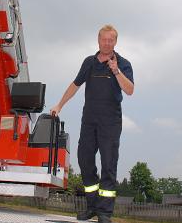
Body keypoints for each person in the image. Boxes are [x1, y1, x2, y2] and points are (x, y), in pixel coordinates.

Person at [50, 25, 134, 223]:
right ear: (98, 40)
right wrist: (59, 105)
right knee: (85, 159)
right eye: (104, 40)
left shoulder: (123, 63)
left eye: (111, 40)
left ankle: (105, 213)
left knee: (108, 164)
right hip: (89, 120)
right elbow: (75, 85)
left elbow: (129, 90)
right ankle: (92, 207)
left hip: (111, 122)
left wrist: (116, 71)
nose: (107, 43)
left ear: (115, 42)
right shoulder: (89, 62)